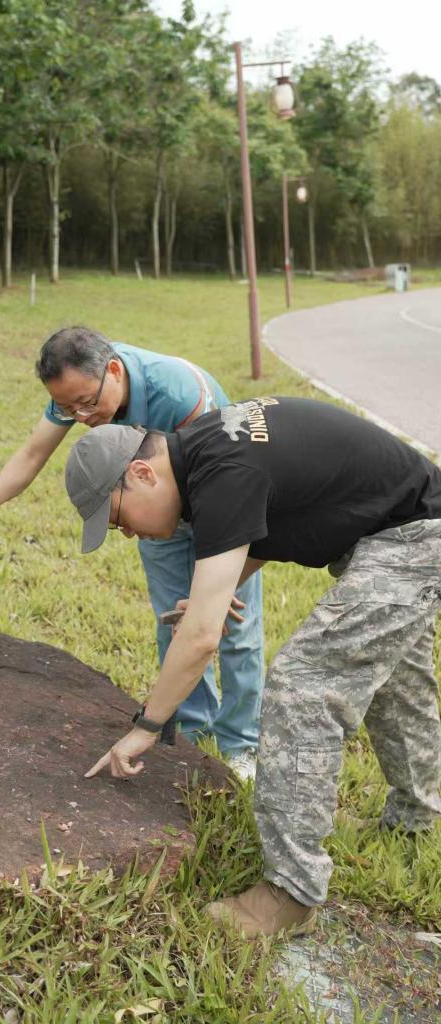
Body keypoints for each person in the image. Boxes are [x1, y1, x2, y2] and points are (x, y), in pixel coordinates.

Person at [64, 395, 441, 939]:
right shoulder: (207, 451)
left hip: (412, 540)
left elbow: (199, 641)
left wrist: (147, 726)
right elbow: (269, 517)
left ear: (142, 473)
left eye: (118, 518)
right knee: (399, 683)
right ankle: (416, 819)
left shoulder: (221, 473)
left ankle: (291, 893)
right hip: (410, 526)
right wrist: (212, 596)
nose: (127, 534)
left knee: (303, 688)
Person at [0, 326, 265, 779]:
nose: (81, 417)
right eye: (68, 409)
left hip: (223, 500)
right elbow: (32, 454)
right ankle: (193, 730)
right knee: (175, 619)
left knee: (232, 622)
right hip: (151, 506)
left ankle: (240, 745)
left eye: (88, 404)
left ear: (113, 370)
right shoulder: (79, 387)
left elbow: (225, 473)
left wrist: (222, 582)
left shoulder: (180, 394)